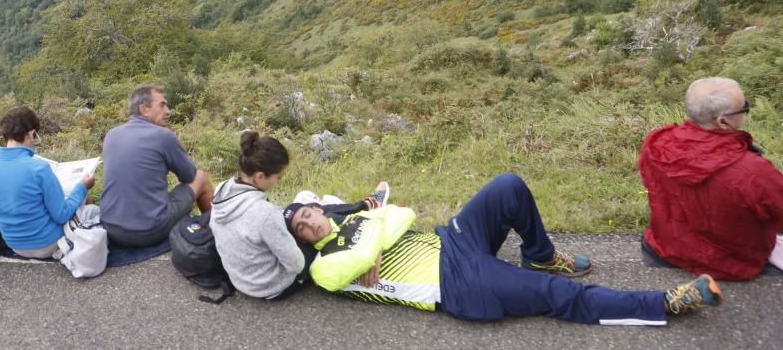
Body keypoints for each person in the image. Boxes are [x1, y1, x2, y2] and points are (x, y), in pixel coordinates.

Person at [286, 173, 722, 325]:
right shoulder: (325, 267)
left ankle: (540, 252)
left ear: (317, 206)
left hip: (451, 240)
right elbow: (361, 256)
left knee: (507, 186)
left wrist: (378, 226)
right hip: (455, 284)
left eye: (306, 213)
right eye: (301, 228)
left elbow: (405, 213)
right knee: (556, 296)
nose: (308, 221)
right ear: (304, 241)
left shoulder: (360, 218)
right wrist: (378, 229)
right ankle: (664, 304)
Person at [639, 76, 783, 280]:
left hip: (665, 248)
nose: (744, 113)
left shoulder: (656, 144)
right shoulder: (751, 171)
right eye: (744, 108)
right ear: (722, 121)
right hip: (732, 262)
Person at [100, 85, 213, 247]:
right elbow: (189, 176)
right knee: (201, 177)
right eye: (162, 105)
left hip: (110, 229)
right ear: (144, 109)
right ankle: (218, 232)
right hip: (147, 232)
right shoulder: (163, 136)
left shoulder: (111, 134)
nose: (168, 111)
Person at [0, 106, 94, 258]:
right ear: (32, 134)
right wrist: (82, 187)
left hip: (14, 245)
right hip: (48, 244)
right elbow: (61, 215)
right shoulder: (40, 168)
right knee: (82, 195)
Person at [208, 131, 306, 299]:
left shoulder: (222, 190)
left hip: (240, 280)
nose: (280, 181)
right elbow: (296, 265)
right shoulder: (266, 214)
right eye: (278, 177)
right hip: (268, 286)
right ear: (260, 176)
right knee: (313, 245)